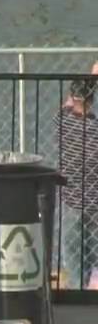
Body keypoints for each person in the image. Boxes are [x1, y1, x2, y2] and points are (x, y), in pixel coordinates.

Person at [52, 78, 98, 290]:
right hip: (94, 200)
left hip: (71, 199)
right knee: (91, 250)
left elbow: (67, 104)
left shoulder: (61, 120)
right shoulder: (95, 128)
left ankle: (80, 292)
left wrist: (91, 76)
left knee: (73, 254)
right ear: (92, 100)